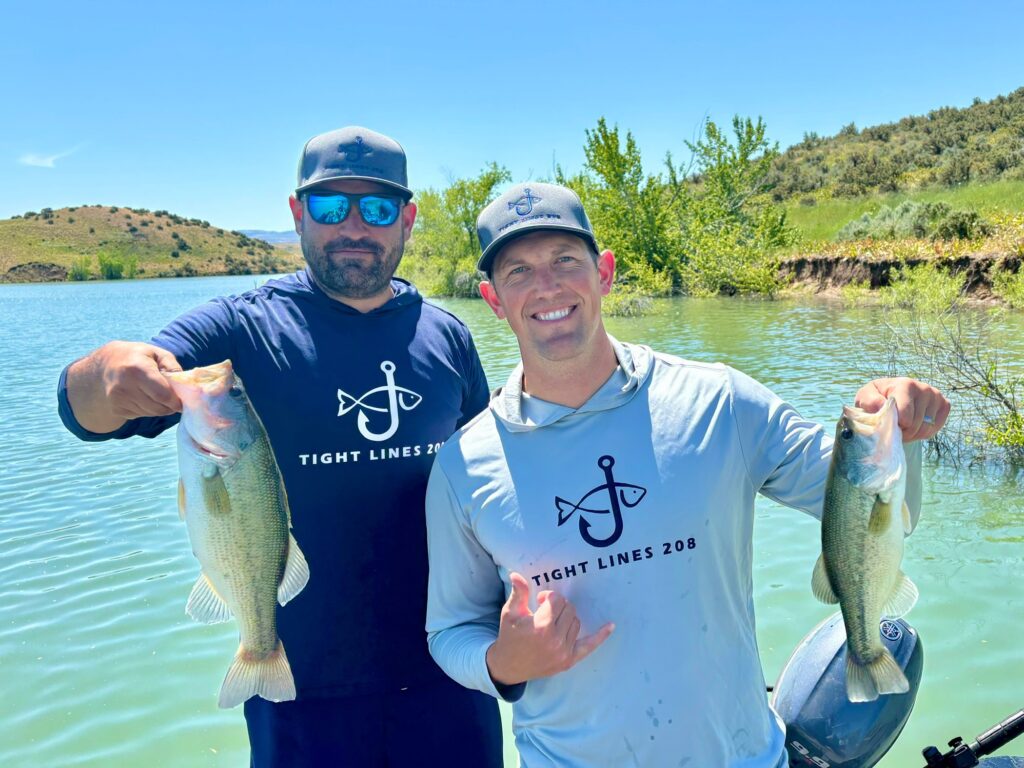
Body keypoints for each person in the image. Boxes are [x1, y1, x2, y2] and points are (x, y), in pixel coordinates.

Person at [423, 182, 950, 767]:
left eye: (565, 260)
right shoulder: (461, 466)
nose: (547, 286)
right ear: (493, 299)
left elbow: (873, 510)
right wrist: (505, 664)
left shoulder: (719, 401)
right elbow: (448, 633)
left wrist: (899, 426)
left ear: (604, 272)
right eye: (519, 271)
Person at [57, 127, 504, 767]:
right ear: (297, 214)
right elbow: (83, 411)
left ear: (406, 220)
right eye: (330, 207)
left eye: (377, 208)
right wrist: (104, 371)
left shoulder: (449, 338)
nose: (354, 225)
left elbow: (491, 490)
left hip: (451, 678)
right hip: (297, 691)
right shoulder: (239, 327)